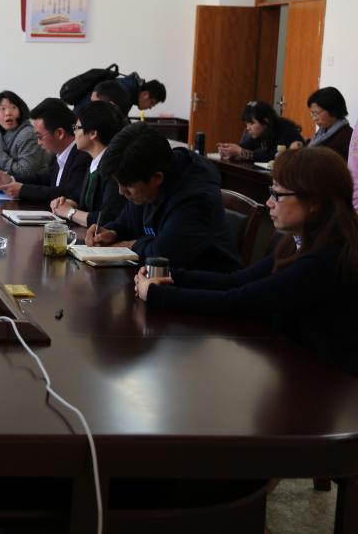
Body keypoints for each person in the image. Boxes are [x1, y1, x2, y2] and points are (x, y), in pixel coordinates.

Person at [135, 147, 358, 375]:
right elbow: (235, 281)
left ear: (314, 202)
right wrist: (169, 275)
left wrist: (156, 294)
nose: (269, 202)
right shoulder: (299, 242)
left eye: (278, 195)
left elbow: (239, 301)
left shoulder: (325, 259)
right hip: (296, 366)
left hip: (329, 381)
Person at [86, 123, 241, 272]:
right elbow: (128, 220)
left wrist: (132, 245)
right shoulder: (146, 176)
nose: (121, 191)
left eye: (127, 185)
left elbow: (164, 253)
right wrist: (113, 232)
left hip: (205, 281)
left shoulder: (195, 197)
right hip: (159, 277)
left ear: (157, 178)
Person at [0, 98, 89, 204]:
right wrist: (11, 179)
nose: (38, 142)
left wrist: (22, 190)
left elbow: (69, 193)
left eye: (39, 137)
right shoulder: (58, 154)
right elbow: (44, 179)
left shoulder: (83, 156)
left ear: (59, 133)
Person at [50, 100, 129, 228]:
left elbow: (109, 217)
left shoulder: (114, 167)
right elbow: (82, 199)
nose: (74, 133)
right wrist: (68, 203)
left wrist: (70, 213)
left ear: (92, 134)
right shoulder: (94, 161)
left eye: (77, 128)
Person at [0, 91, 51, 181]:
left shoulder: (28, 134)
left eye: (13, 107)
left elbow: (25, 172)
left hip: (27, 186)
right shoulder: (1, 132)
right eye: (2, 109)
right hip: (6, 183)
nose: (8, 113)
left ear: (21, 110)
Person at [217, 101, 303, 163]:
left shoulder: (286, 131)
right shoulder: (261, 131)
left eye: (251, 123)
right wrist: (228, 149)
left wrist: (240, 151)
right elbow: (245, 146)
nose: (248, 128)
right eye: (246, 124)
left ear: (266, 121)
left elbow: (271, 157)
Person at [300, 87, 352, 160]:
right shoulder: (323, 131)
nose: (314, 119)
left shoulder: (346, 138)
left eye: (316, 113)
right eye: (312, 113)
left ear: (333, 111)